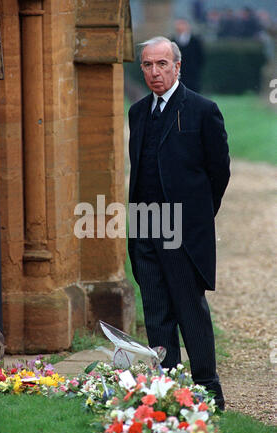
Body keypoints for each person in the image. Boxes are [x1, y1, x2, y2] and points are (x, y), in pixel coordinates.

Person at [128, 37, 230, 411]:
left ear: (178, 66)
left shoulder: (203, 110)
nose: (155, 72)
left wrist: (197, 218)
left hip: (182, 230)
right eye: (148, 65)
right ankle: (166, 389)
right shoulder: (137, 112)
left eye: (162, 64)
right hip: (143, 227)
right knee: (156, 313)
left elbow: (219, 172)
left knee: (190, 310)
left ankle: (208, 391)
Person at [171, 18, 204, 93]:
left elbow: (200, 57)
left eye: (182, 24)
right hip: (178, 74)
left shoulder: (195, 41)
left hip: (193, 75)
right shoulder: (173, 41)